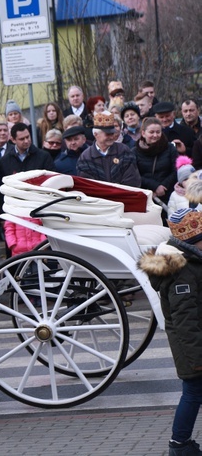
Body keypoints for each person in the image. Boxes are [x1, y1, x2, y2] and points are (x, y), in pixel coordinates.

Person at [138, 198, 202, 456]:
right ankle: (179, 444)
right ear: (192, 240)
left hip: (195, 343)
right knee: (192, 393)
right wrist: (197, 358)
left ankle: (181, 443)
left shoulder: (191, 262)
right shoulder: (183, 272)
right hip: (192, 348)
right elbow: (185, 317)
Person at [76, 113, 141, 187]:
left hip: (123, 197)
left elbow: (132, 180)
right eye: (107, 134)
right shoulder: (86, 158)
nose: (111, 137)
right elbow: (87, 186)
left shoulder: (124, 151)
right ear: (96, 134)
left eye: (112, 133)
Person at [134, 117, 179, 205]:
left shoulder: (170, 148)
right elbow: (134, 175)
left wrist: (164, 186)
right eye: (151, 132)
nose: (155, 135)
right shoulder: (134, 152)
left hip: (168, 194)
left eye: (158, 132)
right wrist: (155, 186)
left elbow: (176, 170)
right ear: (143, 133)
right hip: (145, 196)